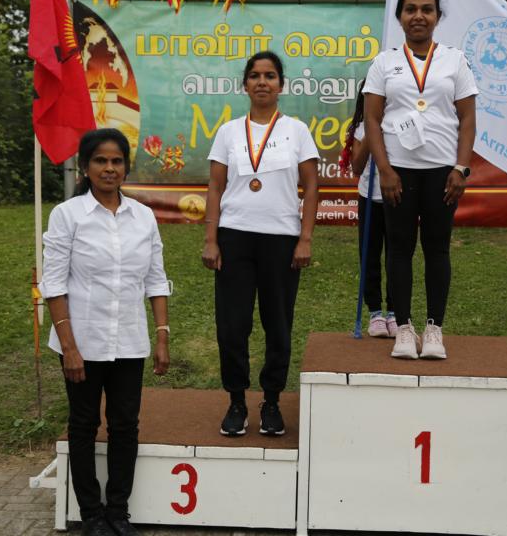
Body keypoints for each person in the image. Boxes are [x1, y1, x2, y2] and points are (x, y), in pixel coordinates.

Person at [40, 129, 170, 536]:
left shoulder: (143, 217)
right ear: (85, 167)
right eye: (100, 161)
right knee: (83, 425)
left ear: (126, 167)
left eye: (116, 161)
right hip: (81, 341)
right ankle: (92, 515)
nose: (109, 168)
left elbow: (155, 279)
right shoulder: (68, 215)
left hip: (129, 340)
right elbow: (54, 285)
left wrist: (162, 335)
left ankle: (118, 512)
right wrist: (69, 348)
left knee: (125, 425)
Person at [202, 51, 319, 437]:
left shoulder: (296, 131)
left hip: (281, 240)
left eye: (270, 76)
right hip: (234, 237)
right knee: (232, 326)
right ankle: (236, 401)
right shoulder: (228, 132)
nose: (262, 82)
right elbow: (215, 187)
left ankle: (271, 401)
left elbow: (311, 187)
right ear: (245, 85)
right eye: (254, 76)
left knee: (278, 324)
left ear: (281, 84)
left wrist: (305, 238)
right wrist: (211, 240)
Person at [363, 0, 478, 360]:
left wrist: (460, 168)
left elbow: (468, 119)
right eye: (410, 9)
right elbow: (372, 119)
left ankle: (433, 329)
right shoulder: (384, 63)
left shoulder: (455, 61)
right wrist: (385, 169)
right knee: (399, 249)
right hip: (398, 172)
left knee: (437, 248)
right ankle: (403, 328)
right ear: (399, 17)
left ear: (437, 17)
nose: (418, 16)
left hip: (443, 172)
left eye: (426, 9)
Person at [338, 80, 397, 338]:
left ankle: (395, 311)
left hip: (396, 197)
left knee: (397, 255)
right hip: (369, 197)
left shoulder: (399, 123)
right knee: (370, 255)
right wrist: (372, 137)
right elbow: (357, 167)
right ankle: (375, 312)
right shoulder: (362, 128)